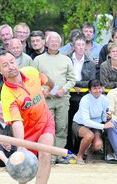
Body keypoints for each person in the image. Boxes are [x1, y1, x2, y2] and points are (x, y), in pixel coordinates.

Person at [0, 50, 55, 184]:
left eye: (12, 62)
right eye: (5, 65)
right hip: (26, 131)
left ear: (16, 61)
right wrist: (21, 147)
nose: (10, 67)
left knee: (45, 153)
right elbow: (17, 122)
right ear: (0, 71)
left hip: (45, 123)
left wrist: (49, 88)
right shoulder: (7, 95)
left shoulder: (31, 72)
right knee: (25, 166)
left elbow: (47, 79)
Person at [33, 31, 76, 164]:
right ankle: (49, 155)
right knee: (47, 128)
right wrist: (43, 90)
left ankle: (59, 154)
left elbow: (72, 79)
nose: (54, 43)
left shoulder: (66, 60)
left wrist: (63, 90)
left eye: (56, 41)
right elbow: (33, 79)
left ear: (60, 43)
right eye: (51, 41)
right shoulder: (38, 60)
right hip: (45, 99)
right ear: (46, 43)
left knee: (62, 127)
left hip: (62, 99)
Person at [72, 80, 114, 164]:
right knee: (89, 136)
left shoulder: (105, 99)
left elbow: (103, 116)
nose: (98, 90)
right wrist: (103, 126)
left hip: (96, 124)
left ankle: (89, 152)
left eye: (99, 88)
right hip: (80, 123)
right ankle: (79, 155)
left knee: (98, 144)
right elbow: (86, 121)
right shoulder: (84, 100)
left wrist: (107, 117)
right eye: (95, 88)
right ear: (89, 90)